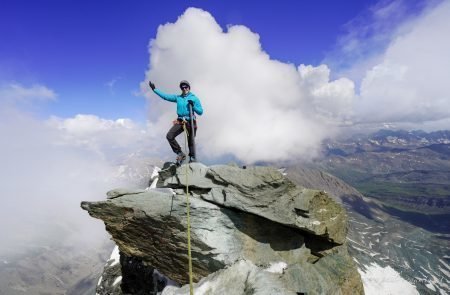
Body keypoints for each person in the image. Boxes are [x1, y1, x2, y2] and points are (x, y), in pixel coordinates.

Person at [148, 80, 203, 164]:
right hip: (181, 121)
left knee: (191, 141)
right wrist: (155, 90)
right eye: (182, 87)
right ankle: (180, 153)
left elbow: (200, 112)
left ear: (189, 87)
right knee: (169, 136)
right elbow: (165, 97)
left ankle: (192, 158)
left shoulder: (194, 98)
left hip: (190, 121)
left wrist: (193, 106)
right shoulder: (178, 98)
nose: (184, 89)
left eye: (186, 87)